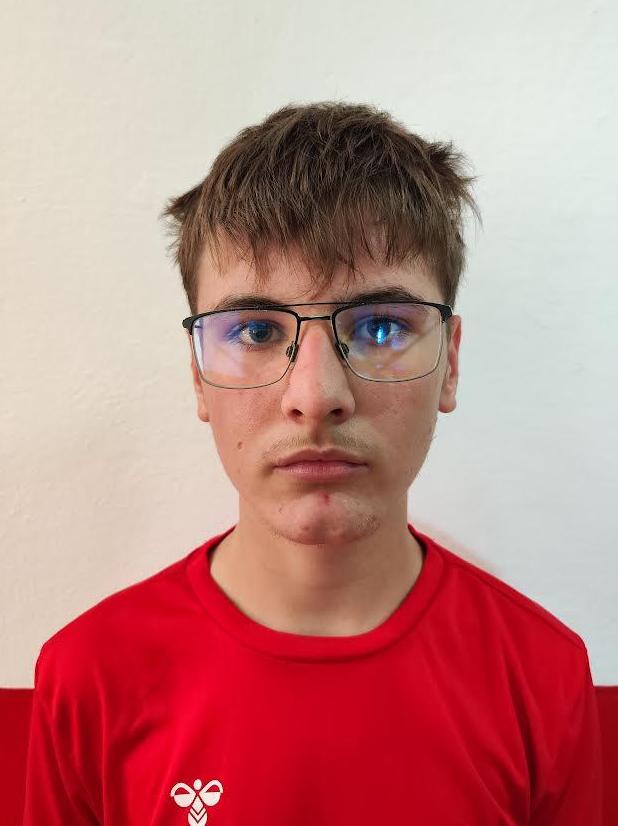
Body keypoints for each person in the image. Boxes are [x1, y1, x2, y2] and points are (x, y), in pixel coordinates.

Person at [23, 101, 603, 824]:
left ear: (450, 364)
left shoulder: (544, 676)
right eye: (256, 330)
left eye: (381, 326)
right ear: (198, 374)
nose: (317, 395)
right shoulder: (91, 677)